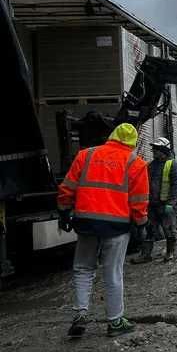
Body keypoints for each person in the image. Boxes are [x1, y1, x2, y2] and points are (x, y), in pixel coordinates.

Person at [57, 123, 149, 338]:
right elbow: (139, 201)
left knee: (83, 268)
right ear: (133, 142)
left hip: (86, 222)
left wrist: (63, 211)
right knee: (113, 273)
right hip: (116, 226)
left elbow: (67, 188)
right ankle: (115, 321)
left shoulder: (86, 155)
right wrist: (141, 224)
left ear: (112, 136)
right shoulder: (136, 163)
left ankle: (80, 314)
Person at [135, 137, 177, 264]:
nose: (154, 152)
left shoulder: (172, 164)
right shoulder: (150, 165)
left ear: (164, 150)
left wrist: (171, 202)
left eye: (156, 150)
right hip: (152, 204)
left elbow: (176, 185)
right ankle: (146, 255)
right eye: (154, 149)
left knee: (169, 230)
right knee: (149, 230)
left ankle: (170, 252)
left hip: (165, 204)